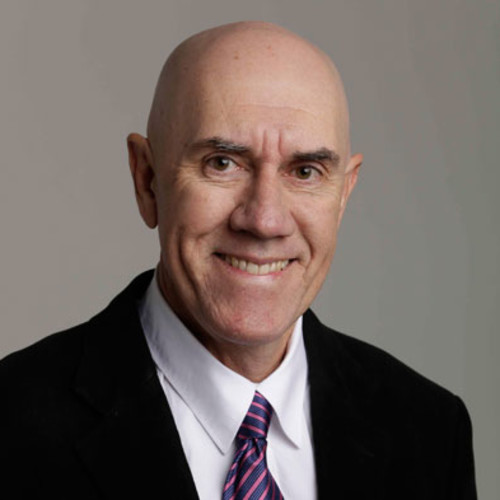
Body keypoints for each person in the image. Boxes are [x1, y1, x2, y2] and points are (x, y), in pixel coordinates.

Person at [0, 21, 476, 499]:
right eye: (222, 163)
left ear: (343, 194)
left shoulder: (431, 431)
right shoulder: (12, 425)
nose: (265, 220)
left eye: (305, 171)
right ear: (147, 180)